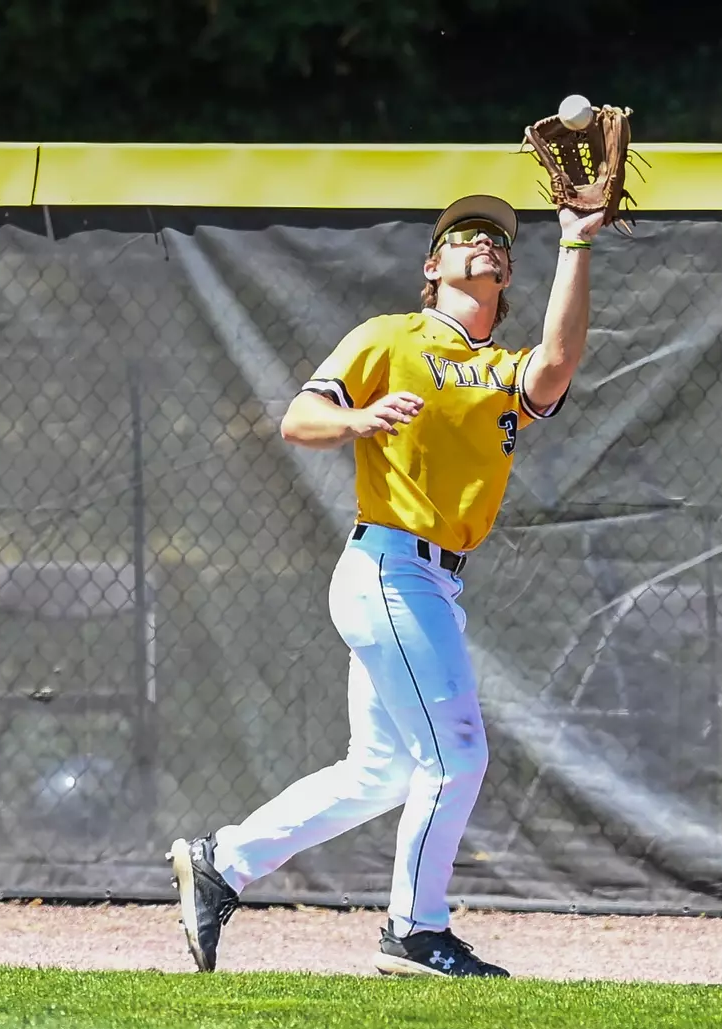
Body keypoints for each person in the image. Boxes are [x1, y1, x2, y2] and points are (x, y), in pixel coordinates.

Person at [170, 193, 606, 978]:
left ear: (509, 278)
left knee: (380, 773)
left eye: (500, 242)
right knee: (458, 758)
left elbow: (559, 360)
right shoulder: (389, 338)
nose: (487, 246)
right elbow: (298, 420)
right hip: (388, 568)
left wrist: (575, 244)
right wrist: (358, 421)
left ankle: (221, 863)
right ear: (431, 268)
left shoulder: (499, 369)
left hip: (434, 586)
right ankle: (415, 931)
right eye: (467, 237)